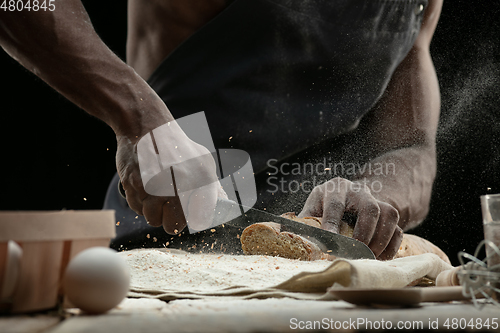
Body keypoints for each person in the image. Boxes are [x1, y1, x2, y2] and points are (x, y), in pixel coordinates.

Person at [0, 0, 442, 260]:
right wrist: (142, 122)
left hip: (317, 257)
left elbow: (411, 146)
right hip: (166, 244)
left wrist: (370, 200)